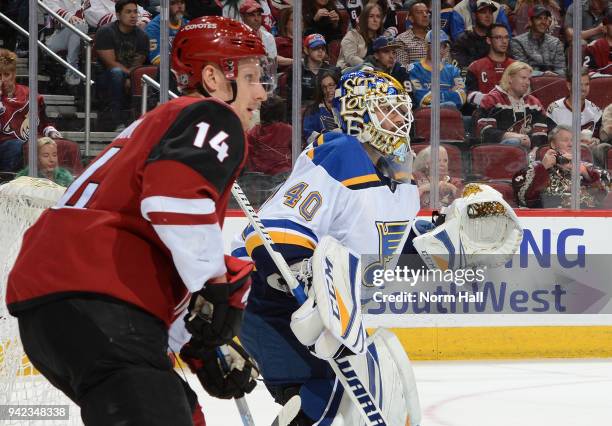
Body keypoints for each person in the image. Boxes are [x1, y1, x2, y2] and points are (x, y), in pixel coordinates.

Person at [6, 16, 270, 426]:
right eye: (252, 77)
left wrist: (197, 346)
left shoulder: (158, 122)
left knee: (182, 411)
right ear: (215, 78)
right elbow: (171, 200)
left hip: (55, 305)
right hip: (100, 293)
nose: (262, 93)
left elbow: (158, 228)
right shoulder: (210, 115)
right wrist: (216, 286)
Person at [231, 67, 422, 426]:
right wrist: (308, 277)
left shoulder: (392, 171)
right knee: (326, 401)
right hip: (273, 311)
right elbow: (271, 238)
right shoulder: (341, 152)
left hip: (322, 327)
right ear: (358, 112)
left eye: (401, 109)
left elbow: (389, 243)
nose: (399, 118)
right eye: (387, 108)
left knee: (330, 405)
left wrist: (438, 242)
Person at [512, 124, 609, 207]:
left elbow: (603, 196)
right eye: (565, 140)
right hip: (546, 219)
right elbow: (523, 198)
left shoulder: (588, 168)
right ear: (553, 144)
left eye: (574, 140)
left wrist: (586, 173)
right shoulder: (536, 168)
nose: (571, 144)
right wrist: (543, 167)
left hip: (586, 219)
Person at [0, 49, 62, 173]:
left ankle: (64, 183)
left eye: (6, 74)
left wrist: (51, 131)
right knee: (22, 147)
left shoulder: (31, 94)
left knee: (64, 145)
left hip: (33, 141)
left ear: (14, 73)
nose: (3, 80)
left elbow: (45, 123)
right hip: (6, 146)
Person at [94, 0, 150, 131]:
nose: (133, 16)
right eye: (128, 12)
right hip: (105, 76)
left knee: (145, 75)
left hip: (130, 74)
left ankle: (141, 122)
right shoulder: (106, 32)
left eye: (135, 12)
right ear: (118, 15)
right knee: (116, 73)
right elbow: (110, 63)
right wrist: (129, 77)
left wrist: (131, 78)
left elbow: (138, 63)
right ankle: (115, 120)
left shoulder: (142, 36)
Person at [477, 61, 552, 147]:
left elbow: (541, 132)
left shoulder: (534, 103)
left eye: (528, 79)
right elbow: (485, 132)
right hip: (499, 151)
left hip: (530, 151)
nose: (527, 82)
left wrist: (535, 149)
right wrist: (514, 137)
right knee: (513, 142)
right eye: (523, 78)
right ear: (510, 78)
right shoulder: (492, 99)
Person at [407, 30, 466, 108]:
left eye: (443, 46)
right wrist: (451, 93)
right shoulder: (414, 69)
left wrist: (433, 94)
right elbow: (423, 99)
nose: (440, 49)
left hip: (450, 115)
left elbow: (462, 96)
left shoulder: (453, 70)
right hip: (425, 116)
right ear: (426, 45)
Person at [465, 23, 514, 108]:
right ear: (488, 40)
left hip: (515, 112)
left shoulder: (517, 66)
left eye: (506, 37)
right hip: (486, 114)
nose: (504, 41)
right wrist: (488, 100)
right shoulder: (476, 67)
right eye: (499, 37)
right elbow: (470, 95)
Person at [510, 5, 566, 77]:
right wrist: (542, 74)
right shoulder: (517, 42)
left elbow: (562, 70)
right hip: (527, 84)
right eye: (539, 18)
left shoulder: (556, 42)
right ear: (530, 21)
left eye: (545, 19)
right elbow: (520, 70)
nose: (543, 22)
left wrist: (553, 75)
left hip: (553, 82)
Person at [44, 0, 89, 85]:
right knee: (79, 26)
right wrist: (69, 17)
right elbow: (50, 7)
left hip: (81, 37)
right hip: (57, 36)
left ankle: (72, 69)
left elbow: (92, 13)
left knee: (80, 26)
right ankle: (72, 68)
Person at [546, 68, 602, 135]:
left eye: (587, 84)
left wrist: (595, 140)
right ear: (569, 85)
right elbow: (552, 140)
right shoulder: (555, 110)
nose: (584, 88)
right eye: (579, 84)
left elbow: (597, 138)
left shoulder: (595, 110)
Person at [336, 2, 385, 68]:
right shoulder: (351, 36)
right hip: (351, 72)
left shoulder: (381, 39)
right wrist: (371, 67)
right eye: (371, 16)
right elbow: (351, 58)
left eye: (378, 16)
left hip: (375, 74)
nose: (375, 20)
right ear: (364, 19)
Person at [451, 0, 496, 69]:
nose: (488, 16)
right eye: (483, 12)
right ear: (474, 15)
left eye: (490, 13)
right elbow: (461, 69)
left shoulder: (497, 38)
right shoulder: (463, 40)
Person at [144, 0, 188, 65]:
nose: (180, 6)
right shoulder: (153, 27)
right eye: (173, 3)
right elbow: (158, 60)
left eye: (182, 2)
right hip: (164, 72)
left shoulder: (188, 24)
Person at [302, 69, 340, 141]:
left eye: (331, 85)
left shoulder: (348, 106)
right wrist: (328, 138)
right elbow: (308, 133)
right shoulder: (313, 110)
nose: (328, 90)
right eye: (324, 87)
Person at [395, 2, 435, 68]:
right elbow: (402, 68)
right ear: (411, 18)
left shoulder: (439, 37)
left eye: (427, 12)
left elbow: (447, 64)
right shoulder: (401, 39)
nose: (425, 15)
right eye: (419, 12)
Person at [85, 0, 152, 29]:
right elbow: (102, 21)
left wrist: (143, 22)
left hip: (135, 33)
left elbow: (145, 13)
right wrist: (135, 19)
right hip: (109, 37)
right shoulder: (92, 1)